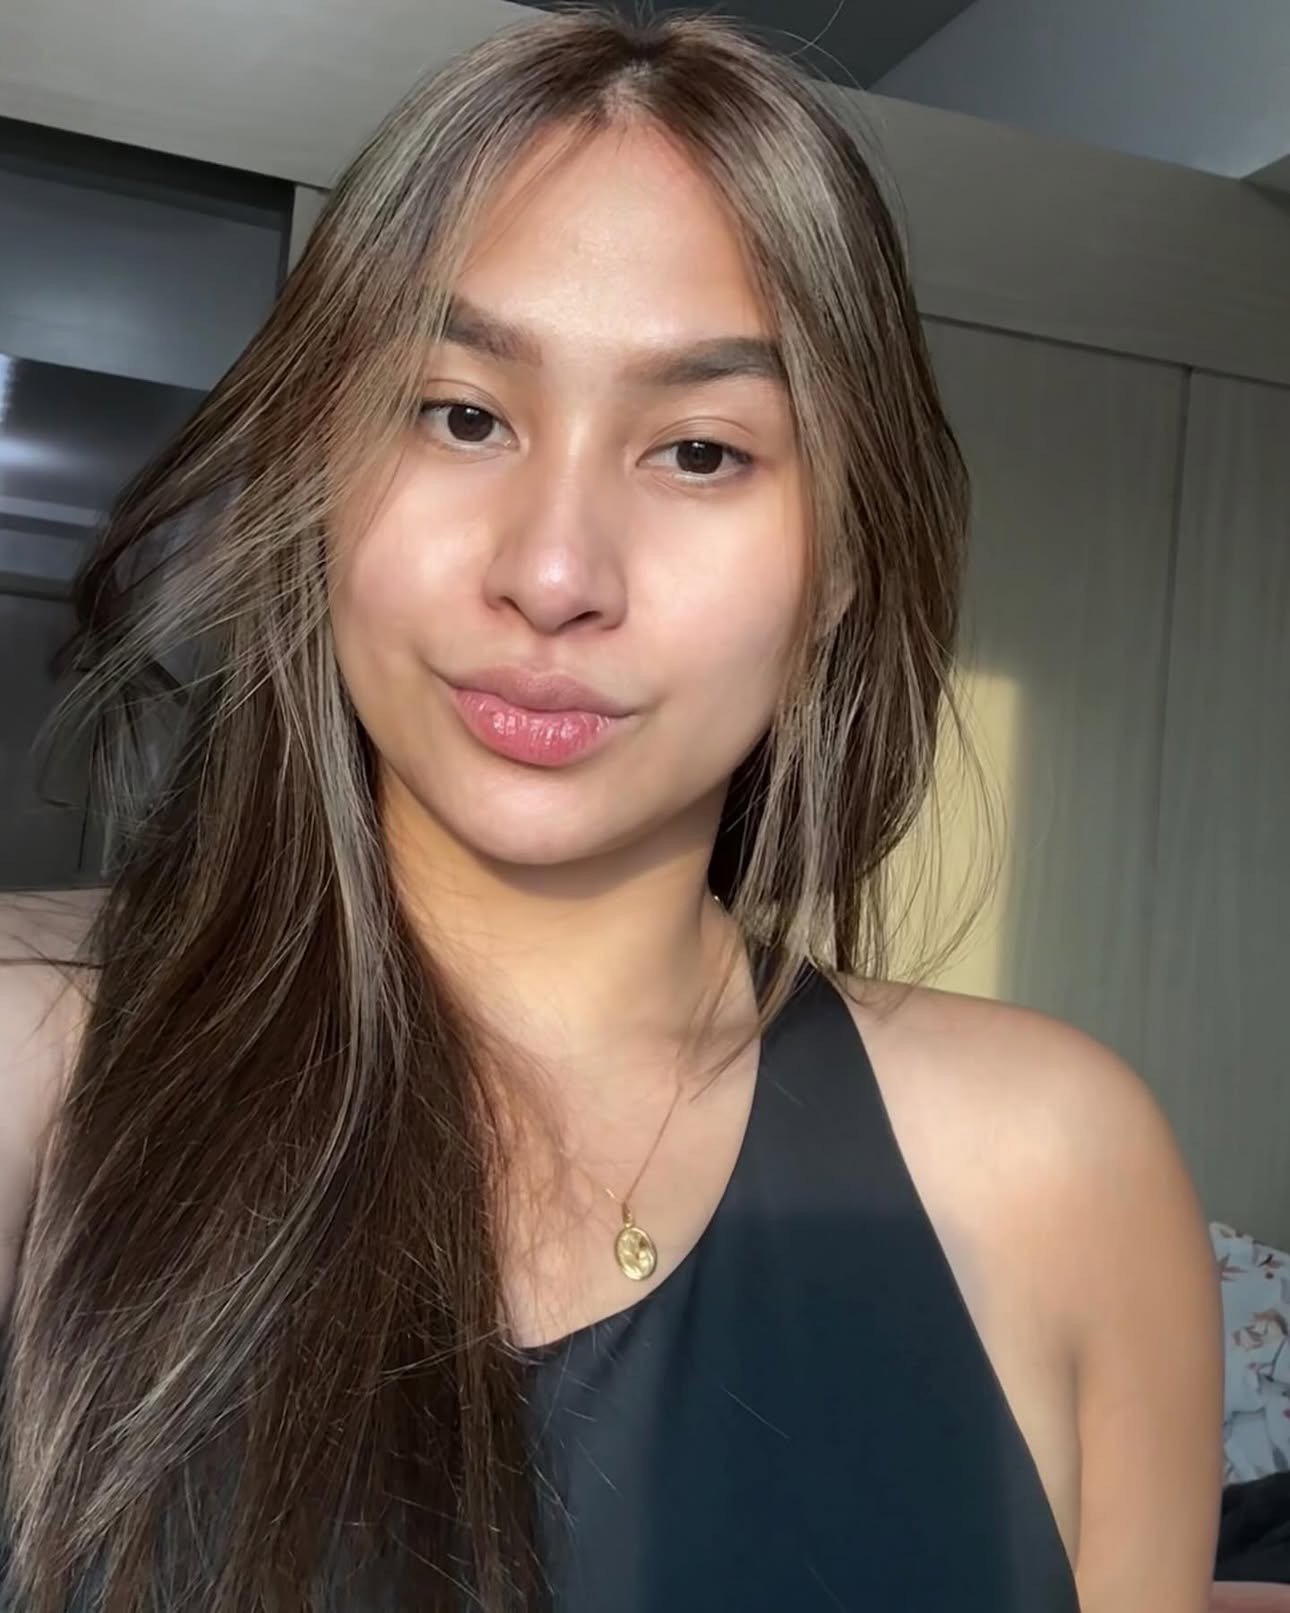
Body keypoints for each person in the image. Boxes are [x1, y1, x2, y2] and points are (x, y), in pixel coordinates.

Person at [0, 7, 1222, 1611]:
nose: (554, 570)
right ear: (316, 476)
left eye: (700, 450)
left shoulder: (1060, 1172)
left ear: (840, 565)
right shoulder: (34, 1068)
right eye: (460, 413)